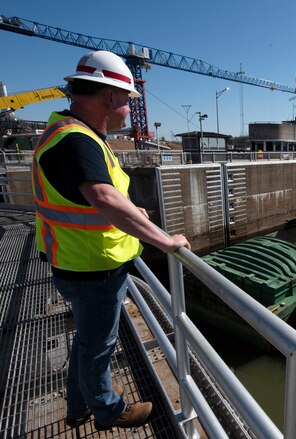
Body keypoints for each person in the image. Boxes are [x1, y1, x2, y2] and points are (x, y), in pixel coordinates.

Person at [32, 50, 190, 431]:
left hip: (77, 260)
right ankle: (107, 410)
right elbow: (102, 199)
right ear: (108, 97)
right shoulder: (77, 141)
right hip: (92, 268)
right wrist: (166, 242)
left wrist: (133, 214)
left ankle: (78, 403)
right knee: (97, 347)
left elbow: (100, 195)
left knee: (88, 343)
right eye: (126, 102)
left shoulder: (69, 133)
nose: (128, 111)